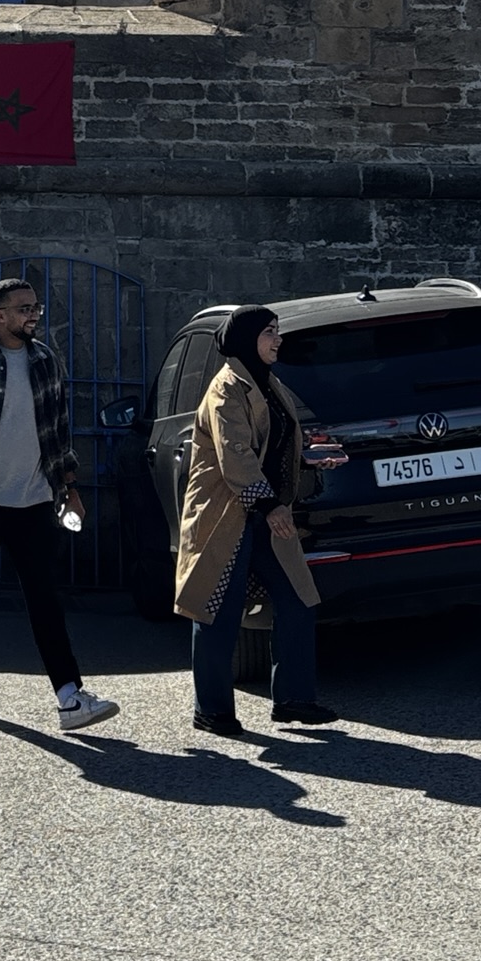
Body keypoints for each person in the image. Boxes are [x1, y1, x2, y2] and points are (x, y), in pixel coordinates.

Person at [0, 277, 119, 733]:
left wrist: (70, 488)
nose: (33, 316)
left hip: (34, 499)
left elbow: (58, 431)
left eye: (36, 308)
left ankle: (70, 696)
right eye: (24, 308)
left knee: (45, 597)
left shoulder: (45, 361)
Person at [176, 304, 345, 737]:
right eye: (269, 331)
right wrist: (270, 505)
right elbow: (236, 454)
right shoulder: (226, 388)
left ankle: (293, 700)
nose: (278, 339)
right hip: (227, 516)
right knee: (217, 609)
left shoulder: (268, 382)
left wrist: (308, 459)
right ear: (246, 338)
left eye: (277, 331)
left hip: (265, 513)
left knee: (297, 599)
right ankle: (212, 710)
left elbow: (272, 444)